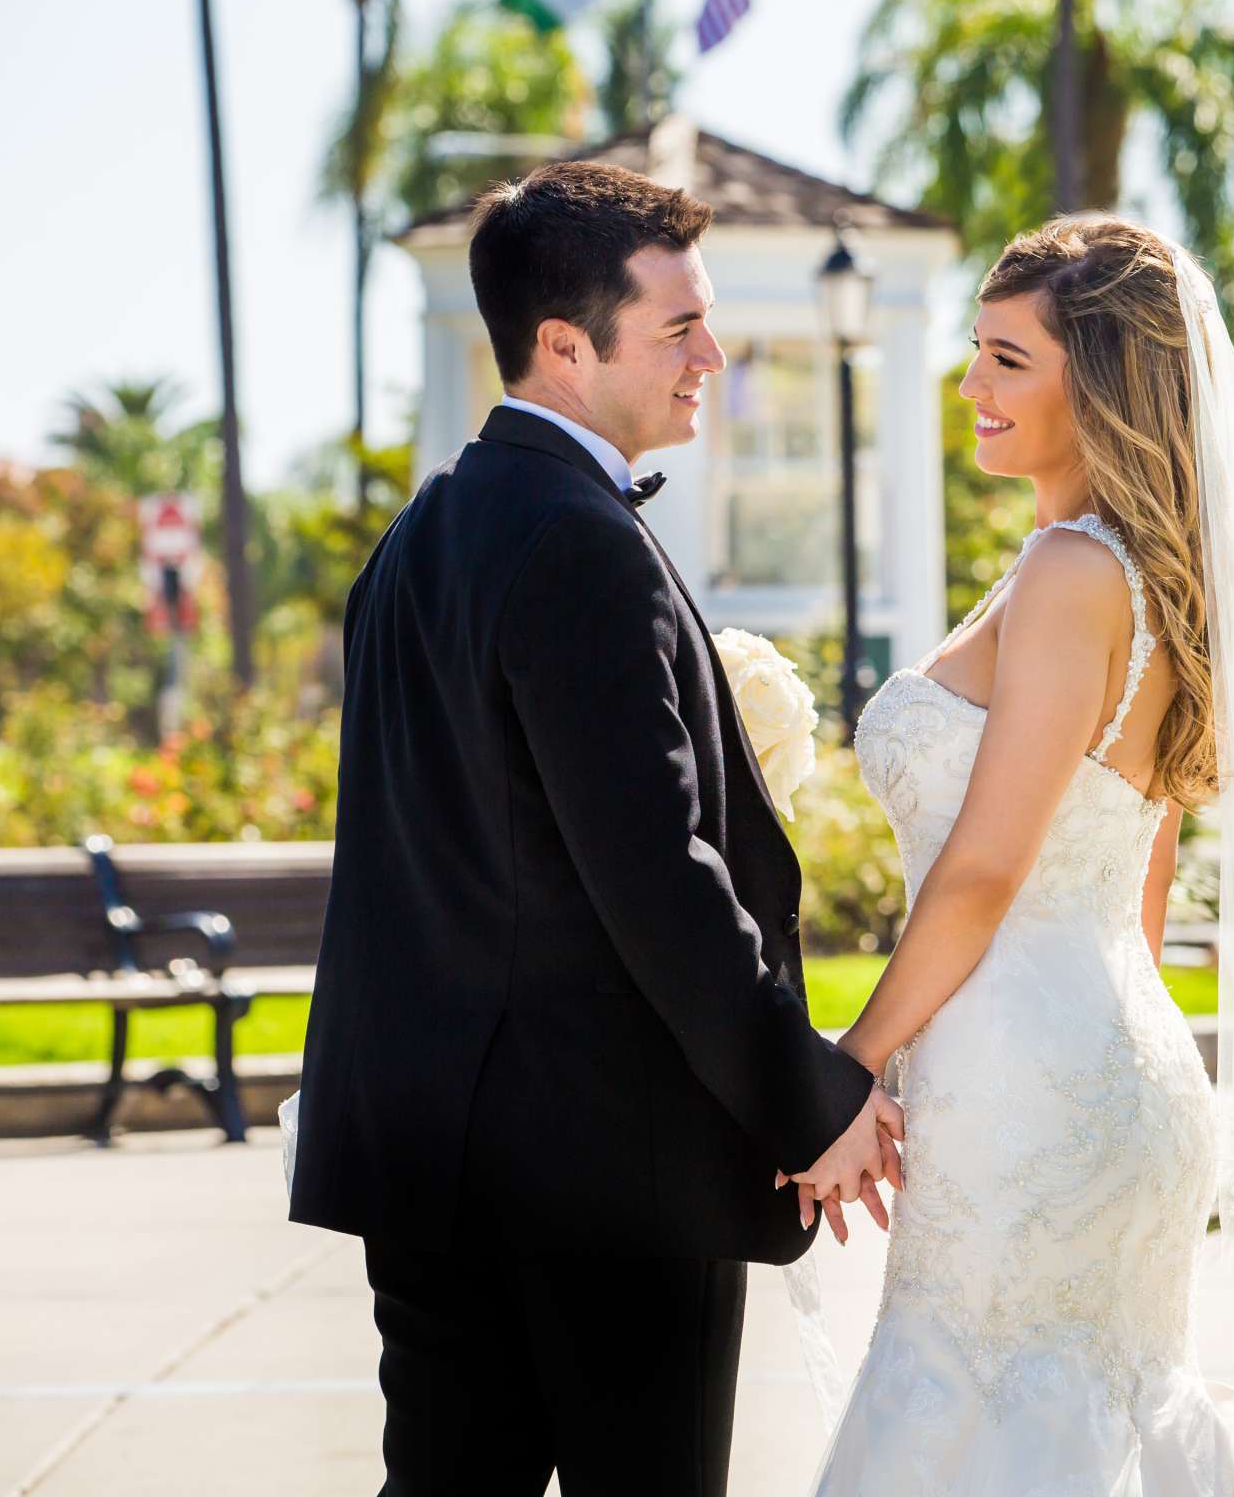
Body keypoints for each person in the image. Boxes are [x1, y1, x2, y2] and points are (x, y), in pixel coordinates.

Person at [284, 160, 902, 1497]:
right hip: (604, 1175)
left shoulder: (415, 541)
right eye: (679, 327)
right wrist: (807, 1102)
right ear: (565, 346)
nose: (713, 357)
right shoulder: (575, 540)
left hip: (431, 1166)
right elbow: (658, 881)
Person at [807, 215, 1234, 1494]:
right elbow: (1139, 861)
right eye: (975, 352)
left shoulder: (1076, 574)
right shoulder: (1143, 579)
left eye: (1007, 360)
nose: (971, 385)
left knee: (980, 1416)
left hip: (1024, 1085)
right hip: (1118, 1070)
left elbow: (981, 874)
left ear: (1104, 381)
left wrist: (844, 1066)